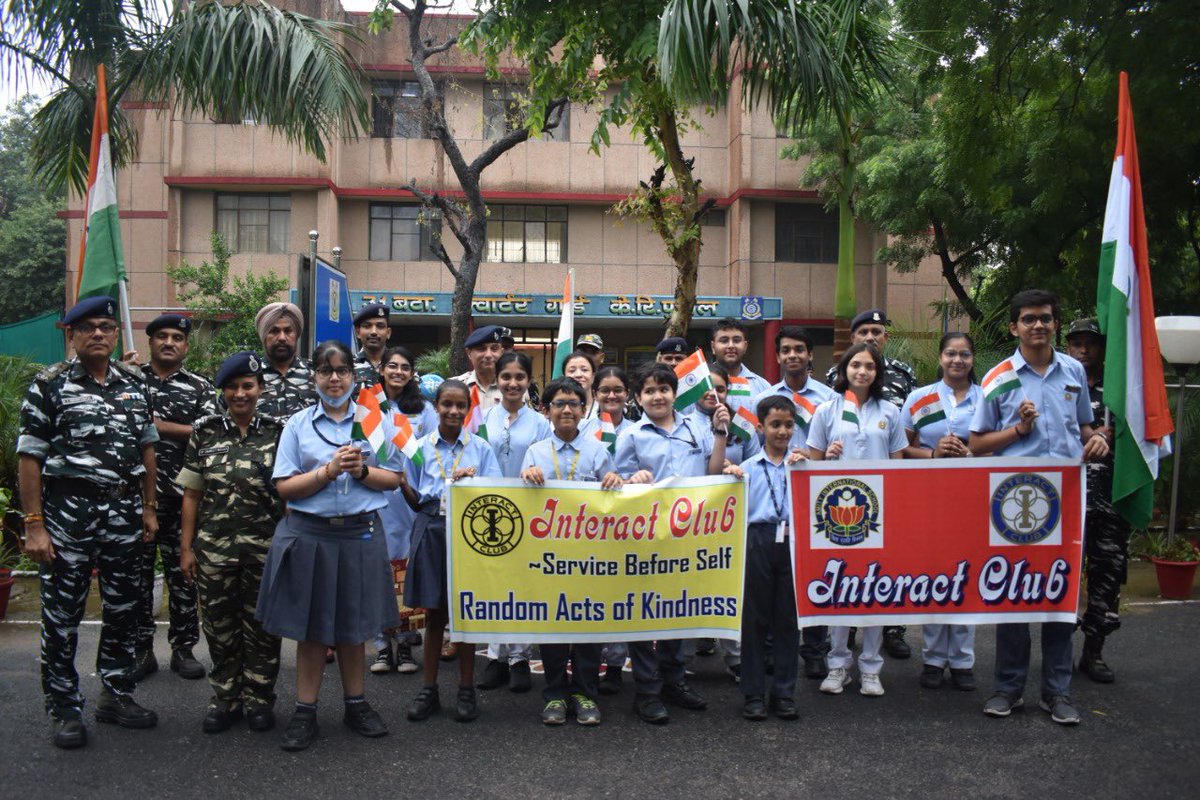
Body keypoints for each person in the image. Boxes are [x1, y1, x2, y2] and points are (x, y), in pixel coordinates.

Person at [18, 296, 161, 749]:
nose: (98, 333)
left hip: (123, 513)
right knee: (62, 616)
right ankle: (64, 707)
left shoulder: (134, 384)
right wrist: (34, 524)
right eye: (88, 328)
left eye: (105, 326)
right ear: (72, 336)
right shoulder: (50, 385)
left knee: (123, 609)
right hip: (68, 516)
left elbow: (147, 449)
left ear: (117, 333)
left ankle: (116, 695)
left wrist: (150, 506)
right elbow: (29, 457)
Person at [256, 340, 405, 751]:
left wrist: (362, 472)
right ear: (314, 377)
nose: (334, 378)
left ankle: (356, 705)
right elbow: (284, 486)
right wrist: (326, 471)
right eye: (325, 370)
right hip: (310, 534)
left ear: (355, 377)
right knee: (312, 629)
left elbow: (394, 478)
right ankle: (305, 711)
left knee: (353, 627)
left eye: (342, 371)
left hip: (359, 533)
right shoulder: (298, 425)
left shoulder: (375, 421)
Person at [970, 290, 1109, 726]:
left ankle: (1057, 691)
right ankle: (1008, 689)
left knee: (1060, 597)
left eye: (1046, 319)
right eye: (1029, 319)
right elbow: (977, 445)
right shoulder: (998, 378)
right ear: (1014, 327)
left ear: (1054, 325)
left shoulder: (1073, 373)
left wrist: (1096, 440)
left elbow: (1083, 428)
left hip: (1066, 501)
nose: (1038, 326)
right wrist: (1018, 429)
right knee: (1015, 594)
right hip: (1015, 506)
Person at [613, 363, 729, 723]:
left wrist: (722, 435)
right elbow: (617, 485)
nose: (657, 396)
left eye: (663, 389)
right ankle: (646, 689)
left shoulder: (698, 425)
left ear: (675, 393)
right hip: (647, 541)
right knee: (643, 613)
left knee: (679, 610)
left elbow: (713, 472)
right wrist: (634, 478)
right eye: (649, 391)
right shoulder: (631, 435)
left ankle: (673, 680)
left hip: (689, 538)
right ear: (638, 398)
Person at [177, 352, 285, 734]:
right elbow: (192, 495)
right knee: (220, 630)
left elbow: (287, 496)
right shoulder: (205, 432)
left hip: (265, 549)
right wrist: (186, 548)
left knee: (263, 631)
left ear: (260, 389)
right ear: (223, 391)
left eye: (247, 386)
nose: (240, 394)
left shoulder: (278, 432)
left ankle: (259, 699)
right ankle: (226, 698)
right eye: (233, 387)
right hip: (214, 550)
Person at [520, 377, 625, 726]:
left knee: (587, 625)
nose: (567, 409)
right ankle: (554, 694)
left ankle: (584, 692)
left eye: (574, 404)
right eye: (559, 403)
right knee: (552, 626)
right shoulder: (535, 452)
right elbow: (523, 497)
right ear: (546, 410)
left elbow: (616, 499)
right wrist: (526, 474)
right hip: (548, 557)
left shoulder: (597, 450)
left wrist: (614, 482)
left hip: (590, 558)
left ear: (584, 410)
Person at [808, 343, 906, 698]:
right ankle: (837, 665)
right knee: (839, 589)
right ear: (844, 369)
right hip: (836, 516)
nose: (862, 371)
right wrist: (828, 456)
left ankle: (870, 667)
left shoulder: (890, 411)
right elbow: (811, 464)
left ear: (878, 373)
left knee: (875, 591)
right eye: (855, 365)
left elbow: (898, 464)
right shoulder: (826, 410)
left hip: (878, 515)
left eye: (869, 366)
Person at [400, 379, 501, 723]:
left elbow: (494, 494)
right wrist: (400, 480)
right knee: (434, 613)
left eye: (461, 405)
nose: (454, 411)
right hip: (430, 528)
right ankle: (429, 688)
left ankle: (466, 688)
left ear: (469, 408)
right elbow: (413, 495)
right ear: (436, 406)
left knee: (465, 613)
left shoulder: (481, 449)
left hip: (466, 533)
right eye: (447, 405)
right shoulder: (418, 447)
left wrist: (468, 485)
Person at [823, 309, 916, 660]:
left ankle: (877, 654)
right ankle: (838, 655)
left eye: (877, 331)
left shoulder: (892, 403)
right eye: (863, 331)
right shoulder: (830, 405)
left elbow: (901, 454)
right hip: (838, 509)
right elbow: (815, 455)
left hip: (881, 507)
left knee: (879, 580)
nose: (870, 337)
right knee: (841, 579)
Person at [131, 313, 214, 683]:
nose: (168, 342)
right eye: (161, 336)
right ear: (150, 342)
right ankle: (141, 650)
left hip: (183, 499)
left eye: (176, 337)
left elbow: (209, 434)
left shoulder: (199, 387)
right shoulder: (130, 382)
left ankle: (183, 649)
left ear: (185, 345)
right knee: (137, 578)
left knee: (184, 576)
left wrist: (157, 426)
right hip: (136, 500)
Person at [751, 324, 836, 679]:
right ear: (778, 355)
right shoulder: (765, 397)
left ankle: (814, 649)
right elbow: (756, 448)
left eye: (799, 349)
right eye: (785, 350)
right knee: (774, 586)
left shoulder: (829, 399)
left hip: (812, 497)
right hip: (773, 497)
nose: (792, 356)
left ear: (810, 354)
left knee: (812, 576)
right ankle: (770, 650)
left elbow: (833, 446)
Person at [900, 332, 984, 692]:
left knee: (966, 574)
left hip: (973, 499)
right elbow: (903, 449)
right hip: (930, 497)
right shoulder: (919, 398)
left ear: (972, 359)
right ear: (940, 358)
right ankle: (933, 658)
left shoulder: (987, 398)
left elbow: (1000, 446)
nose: (957, 360)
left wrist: (972, 454)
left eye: (964, 354)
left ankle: (962, 660)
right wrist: (934, 454)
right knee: (935, 575)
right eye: (951, 353)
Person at [722, 395, 807, 721]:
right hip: (756, 542)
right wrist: (729, 478)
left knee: (788, 621)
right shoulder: (745, 470)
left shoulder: (801, 466)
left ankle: (784, 693)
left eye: (788, 425)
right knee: (754, 621)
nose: (782, 431)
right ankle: (753, 694)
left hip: (793, 542)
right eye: (775, 425)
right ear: (760, 428)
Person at [477, 352, 551, 693]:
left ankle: (520, 656)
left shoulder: (540, 422)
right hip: (489, 512)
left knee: (523, 585)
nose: (512, 383)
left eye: (520, 377)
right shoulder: (481, 417)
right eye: (506, 376)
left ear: (528, 381)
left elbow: (548, 462)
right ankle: (496, 656)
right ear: (497, 379)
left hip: (528, 511)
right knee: (493, 583)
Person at [1065, 318, 1129, 683]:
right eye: (1077, 343)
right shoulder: (1061, 387)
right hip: (1069, 503)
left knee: (1106, 577)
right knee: (1062, 578)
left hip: (1109, 503)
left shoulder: (1120, 391)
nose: (1084, 349)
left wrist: (1115, 431)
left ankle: (1094, 653)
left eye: (1091, 343)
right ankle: (1059, 653)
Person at [371, 346, 438, 677]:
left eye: (405, 367)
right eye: (392, 366)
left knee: (407, 570)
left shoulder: (423, 409)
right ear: (382, 369)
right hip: (375, 498)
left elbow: (433, 453)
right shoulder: (367, 406)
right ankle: (382, 645)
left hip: (411, 499)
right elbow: (363, 450)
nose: (398, 371)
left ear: (412, 373)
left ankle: (408, 642)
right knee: (379, 571)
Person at [592, 365, 636, 693]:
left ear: (627, 394)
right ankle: (589, 662)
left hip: (629, 528)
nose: (611, 395)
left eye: (617, 389)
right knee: (592, 596)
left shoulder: (638, 431)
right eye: (604, 389)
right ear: (595, 394)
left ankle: (617, 665)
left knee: (622, 597)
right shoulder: (580, 429)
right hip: (588, 528)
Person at [255, 302, 316, 423]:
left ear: (296, 335)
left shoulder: (316, 373)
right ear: (264, 336)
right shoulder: (250, 375)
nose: (282, 337)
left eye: (288, 331)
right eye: (274, 331)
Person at [710, 318, 771, 408]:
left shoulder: (763, 386)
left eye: (736, 340)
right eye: (724, 340)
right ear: (713, 347)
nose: (731, 345)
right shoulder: (700, 383)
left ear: (745, 346)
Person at [453, 324, 507, 411]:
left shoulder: (514, 388)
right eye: (482, 349)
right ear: (469, 353)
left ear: (502, 352)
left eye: (494, 349)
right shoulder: (454, 386)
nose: (488, 355)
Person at [352, 303, 391, 387]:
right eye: (367, 326)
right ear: (358, 332)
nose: (374, 332)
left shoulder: (401, 366)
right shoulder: (347, 366)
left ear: (388, 333)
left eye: (380, 326)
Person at [563, 350, 599, 426]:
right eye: (572, 370)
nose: (578, 375)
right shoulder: (557, 409)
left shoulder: (603, 409)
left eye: (584, 370)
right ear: (564, 376)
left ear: (593, 376)